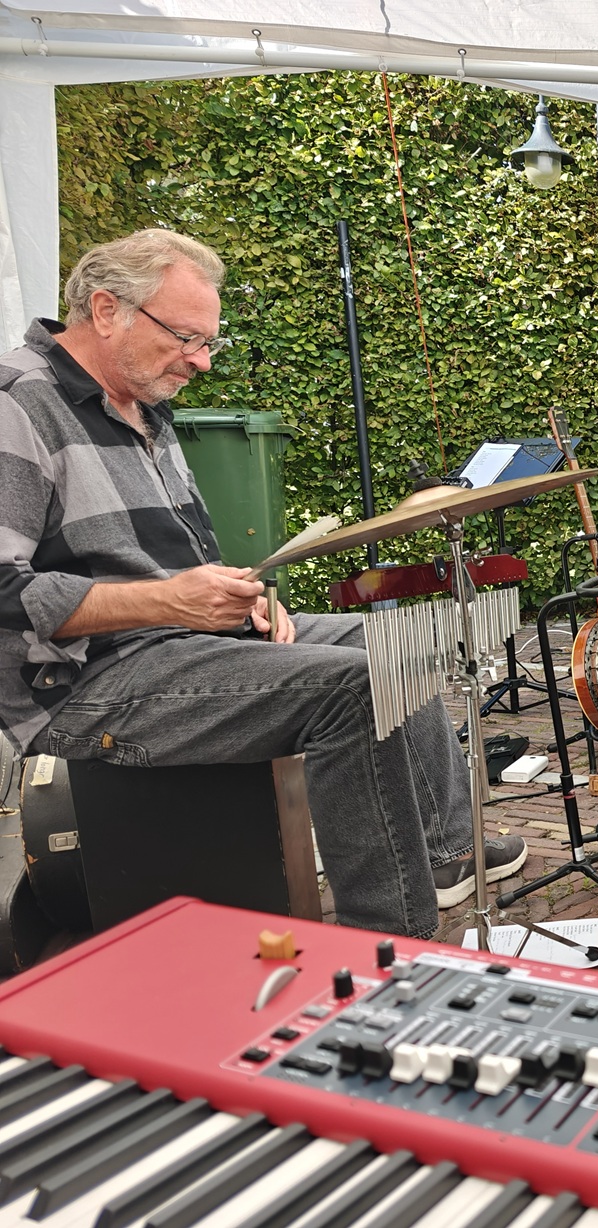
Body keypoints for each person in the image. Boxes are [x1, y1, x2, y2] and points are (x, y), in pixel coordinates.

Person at [0, 228, 524, 938]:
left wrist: (254, 600)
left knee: (405, 642)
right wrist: (167, 600)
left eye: (209, 340)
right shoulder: (16, 405)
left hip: (181, 642)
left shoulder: (143, 404)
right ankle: (391, 946)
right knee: (357, 687)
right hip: (85, 683)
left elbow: (192, 557)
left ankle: (446, 853)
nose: (203, 360)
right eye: (187, 337)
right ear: (104, 309)